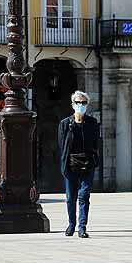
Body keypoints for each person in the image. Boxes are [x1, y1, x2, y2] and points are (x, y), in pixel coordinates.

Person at [57, 90, 100, 238]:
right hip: (70, 165)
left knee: (84, 195)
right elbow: (62, 146)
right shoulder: (65, 124)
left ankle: (82, 227)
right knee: (70, 197)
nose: (80, 105)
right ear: (72, 105)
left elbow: (96, 144)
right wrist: (63, 166)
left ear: (87, 105)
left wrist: (94, 159)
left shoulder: (92, 123)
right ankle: (71, 224)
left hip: (87, 164)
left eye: (83, 103)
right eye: (77, 102)